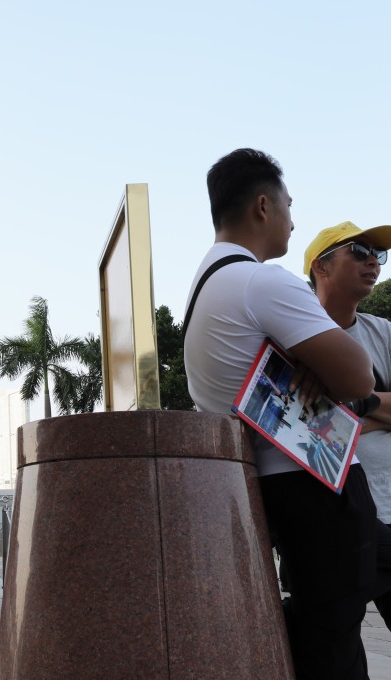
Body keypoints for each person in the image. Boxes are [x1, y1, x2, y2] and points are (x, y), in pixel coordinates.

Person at [183, 149, 384, 680]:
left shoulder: (205, 287)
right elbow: (359, 376)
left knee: (321, 636)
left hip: (272, 488)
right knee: (333, 646)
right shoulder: (262, 282)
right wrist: (324, 366)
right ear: (264, 206)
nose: (294, 219)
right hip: (319, 490)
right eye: (290, 205)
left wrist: (315, 363)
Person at [306, 221, 391, 627]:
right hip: (332, 519)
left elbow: (323, 418)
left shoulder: (384, 332)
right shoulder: (295, 334)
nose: (373, 261)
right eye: (359, 251)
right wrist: (380, 411)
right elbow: (302, 428)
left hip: (389, 508)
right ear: (321, 268)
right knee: (335, 649)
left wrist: (348, 402)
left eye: (378, 254)